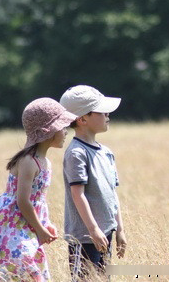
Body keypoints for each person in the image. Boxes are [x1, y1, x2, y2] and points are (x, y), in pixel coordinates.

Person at [0, 98, 77, 281]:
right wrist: (40, 229)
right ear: (48, 131)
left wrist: (45, 223)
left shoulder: (45, 162)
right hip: (10, 224)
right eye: (62, 127)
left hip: (26, 223)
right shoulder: (28, 162)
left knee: (24, 266)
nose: (66, 131)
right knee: (17, 262)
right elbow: (23, 201)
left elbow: (38, 200)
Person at [59, 85, 127, 281]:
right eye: (101, 111)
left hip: (106, 231)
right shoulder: (76, 153)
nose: (107, 115)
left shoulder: (106, 152)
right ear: (82, 119)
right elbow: (77, 194)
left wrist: (119, 229)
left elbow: (112, 193)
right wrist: (93, 230)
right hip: (85, 236)